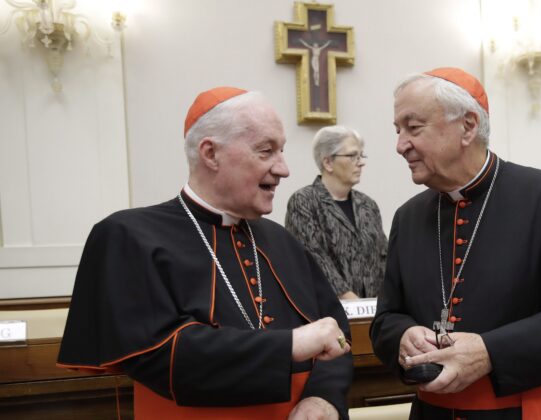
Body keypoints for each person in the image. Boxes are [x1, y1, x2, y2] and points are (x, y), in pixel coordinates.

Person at [57, 87, 353, 419]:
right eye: (266, 151)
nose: (283, 169)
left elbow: (335, 332)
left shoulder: (281, 241)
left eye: (281, 151)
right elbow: (158, 355)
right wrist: (290, 345)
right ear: (211, 154)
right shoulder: (129, 236)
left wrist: (323, 397)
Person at [370, 68, 541, 419]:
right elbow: (386, 319)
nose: (400, 145)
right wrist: (404, 335)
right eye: (398, 130)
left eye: (413, 127)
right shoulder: (408, 217)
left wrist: (490, 352)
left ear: (468, 126)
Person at [286, 126, 387, 299]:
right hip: (328, 316)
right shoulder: (304, 201)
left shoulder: (368, 205)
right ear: (328, 162)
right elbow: (314, 262)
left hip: (373, 314)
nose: (361, 162)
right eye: (352, 156)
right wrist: (355, 305)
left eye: (361, 155)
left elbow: (384, 259)